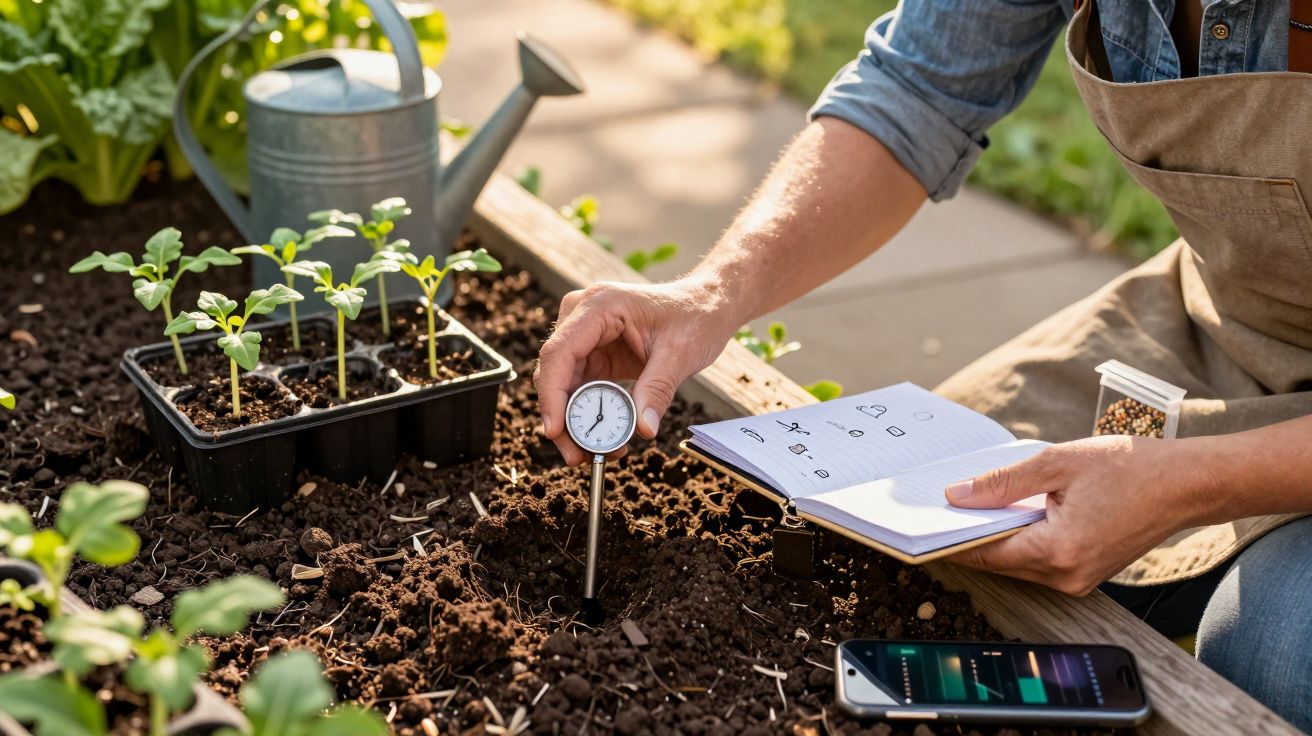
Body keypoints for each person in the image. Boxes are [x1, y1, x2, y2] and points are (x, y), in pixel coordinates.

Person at [534, 0, 1312, 726]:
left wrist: (1188, 480)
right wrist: (712, 293)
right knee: (920, 520)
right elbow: (918, 87)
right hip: (1230, 318)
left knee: (1271, 644)